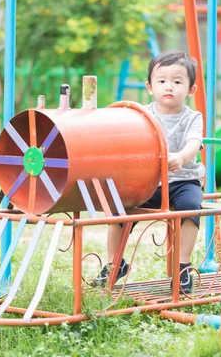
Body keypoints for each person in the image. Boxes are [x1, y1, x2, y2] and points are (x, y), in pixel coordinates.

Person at [92, 50, 205, 293]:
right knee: (118, 211)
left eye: (177, 81)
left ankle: (183, 266)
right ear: (150, 86)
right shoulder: (141, 114)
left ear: (191, 89)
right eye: (162, 81)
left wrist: (182, 156)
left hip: (183, 179)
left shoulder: (192, 118)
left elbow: (194, 142)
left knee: (190, 208)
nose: (169, 87)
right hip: (148, 181)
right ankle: (115, 263)